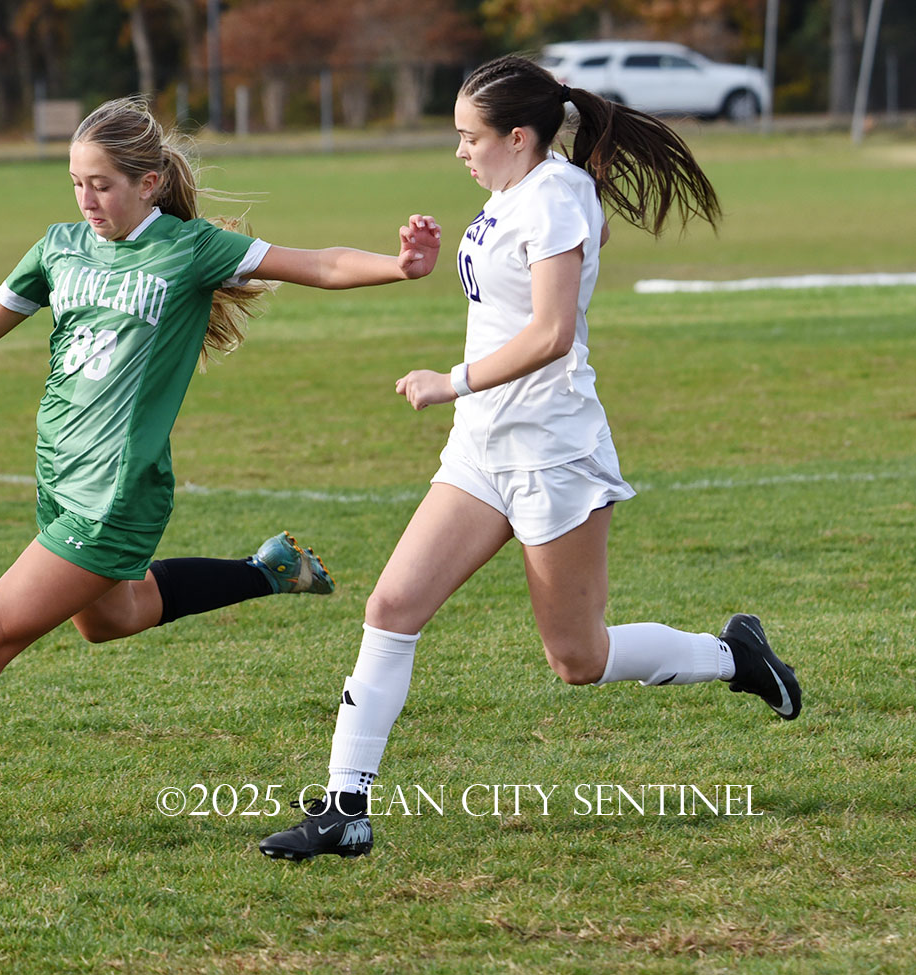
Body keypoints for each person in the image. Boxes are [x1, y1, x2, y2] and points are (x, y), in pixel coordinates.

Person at [0, 96, 442, 844]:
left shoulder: (191, 249)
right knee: (111, 619)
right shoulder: (59, 248)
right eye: (76, 183)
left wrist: (399, 266)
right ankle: (266, 570)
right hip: (59, 480)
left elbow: (317, 263)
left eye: (101, 184)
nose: (87, 199)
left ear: (149, 182)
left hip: (116, 495)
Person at [258, 55, 801, 862]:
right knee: (392, 607)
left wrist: (450, 380)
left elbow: (551, 333)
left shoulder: (551, 194)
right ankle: (346, 810)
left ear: (518, 136)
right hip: (482, 448)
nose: (458, 151)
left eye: (469, 136)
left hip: (552, 453)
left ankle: (735, 656)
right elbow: (575, 242)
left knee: (578, 658)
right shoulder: (529, 189)